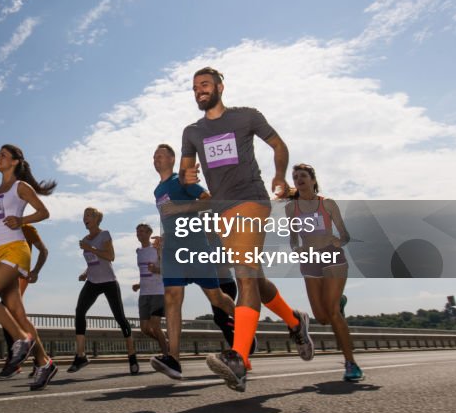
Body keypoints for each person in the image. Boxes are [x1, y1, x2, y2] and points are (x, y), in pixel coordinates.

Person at [180, 67, 313, 392]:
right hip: (223, 211)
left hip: (252, 200)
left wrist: (280, 176)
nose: (200, 91)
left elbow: (279, 145)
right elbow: (186, 172)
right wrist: (188, 178)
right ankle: (295, 321)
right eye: (195, 87)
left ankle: (239, 358)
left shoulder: (246, 117)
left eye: (206, 85)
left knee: (243, 274)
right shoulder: (192, 132)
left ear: (220, 87)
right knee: (255, 278)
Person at [0, 144, 58, 391]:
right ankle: (44, 363)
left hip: (15, 250)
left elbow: (44, 212)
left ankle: (22, 339)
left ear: (15, 162)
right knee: (18, 314)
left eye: (3, 155)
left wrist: (21, 220)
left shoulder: (20, 187)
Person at [149, 144, 238, 381]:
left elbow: (208, 200)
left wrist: (181, 207)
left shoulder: (182, 181)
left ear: (172, 159)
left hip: (196, 247)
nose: (156, 159)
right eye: (154, 156)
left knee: (216, 297)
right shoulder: (158, 190)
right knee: (172, 298)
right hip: (173, 252)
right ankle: (174, 359)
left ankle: (243, 324)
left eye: (160, 155)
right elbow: (169, 219)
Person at [287, 163, 363, 382]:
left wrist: (339, 241)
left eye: (303, 175)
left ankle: (351, 364)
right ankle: (336, 304)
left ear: (312, 180)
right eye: (295, 176)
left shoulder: (327, 204)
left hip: (332, 258)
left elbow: (345, 234)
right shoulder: (291, 208)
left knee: (331, 312)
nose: (298, 179)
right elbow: (293, 239)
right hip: (310, 261)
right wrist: (296, 249)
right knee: (321, 318)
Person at [69, 207, 139, 375]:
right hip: (93, 281)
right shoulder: (85, 239)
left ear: (96, 219)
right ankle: (80, 356)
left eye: (88, 215)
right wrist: (85, 273)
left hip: (109, 282)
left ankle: (132, 356)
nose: (84, 218)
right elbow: (92, 262)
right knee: (79, 312)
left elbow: (110, 256)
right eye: (83, 215)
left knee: (120, 318)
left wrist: (90, 247)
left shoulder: (104, 234)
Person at [0, 224, 49, 378]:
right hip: (7, 272)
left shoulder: (27, 228)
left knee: (12, 313)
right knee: (13, 315)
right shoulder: (3, 229)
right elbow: (3, 254)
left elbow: (44, 251)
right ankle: (40, 361)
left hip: (20, 274)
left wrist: (36, 271)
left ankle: (19, 361)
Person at [131, 224, 168, 361]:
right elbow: (145, 273)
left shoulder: (157, 249)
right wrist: (139, 285)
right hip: (144, 294)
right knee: (145, 329)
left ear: (149, 233)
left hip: (158, 292)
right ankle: (165, 343)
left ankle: (166, 355)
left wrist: (156, 270)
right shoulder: (139, 251)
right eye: (137, 231)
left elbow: (167, 269)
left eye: (141, 231)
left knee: (155, 326)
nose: (138, 234)